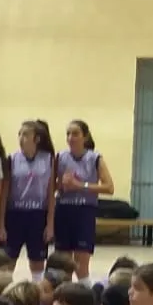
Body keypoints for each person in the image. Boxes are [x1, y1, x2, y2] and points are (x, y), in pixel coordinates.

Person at [54, 120, 113, 280]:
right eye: (68, 134)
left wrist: (80, 185)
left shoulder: (95, 158)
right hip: (63, 210)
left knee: (81, 265)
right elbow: (51, 187)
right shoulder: (60, 157)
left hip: (84, 211)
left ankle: (85, 298)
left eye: (75, 133)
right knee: (63, 265)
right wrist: (61, 185)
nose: (70, 137)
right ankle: (63, 296)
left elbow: (109, 187)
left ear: (85, 137)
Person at [2, 120, 58, 279]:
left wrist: (50, 224)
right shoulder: (12, 159)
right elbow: (5, 194)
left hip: (38, 215)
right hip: (14, 214)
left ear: (37, 139)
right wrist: (1, 225)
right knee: (7, 262)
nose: (21, 138)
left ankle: (37, 296)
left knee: (37, 262)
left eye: (25, 134)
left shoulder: (49, 159)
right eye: (19, 134)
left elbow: (51, 194)